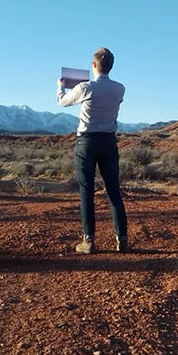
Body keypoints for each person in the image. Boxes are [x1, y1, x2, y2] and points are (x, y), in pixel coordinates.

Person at [57, 47, 129, 254]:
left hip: (86, 142)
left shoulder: (84, 87)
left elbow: (62, 102)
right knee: (113, 190)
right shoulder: (120, 88)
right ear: (111, 66)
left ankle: (88, 241)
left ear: (94, 65)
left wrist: (61, 87)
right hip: (108, 141)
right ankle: (121, 239)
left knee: (86, 190)